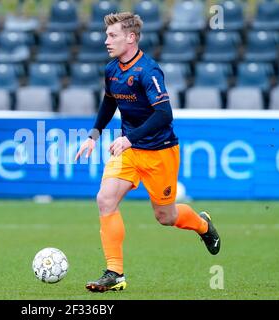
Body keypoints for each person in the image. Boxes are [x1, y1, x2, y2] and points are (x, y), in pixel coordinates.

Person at [74, 12, 221, 293]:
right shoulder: (111, 70)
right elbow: (109, 102)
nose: (106, 40)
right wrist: (94, 135)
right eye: (106, 35)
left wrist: (130, 139)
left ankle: (203, 225)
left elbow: (164, 114)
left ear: (131, 38)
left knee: (165, 217)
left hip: (160, 152)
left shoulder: (148, 71)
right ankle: (114, 273)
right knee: (105, 199)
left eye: (112, 35)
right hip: (128, 150)